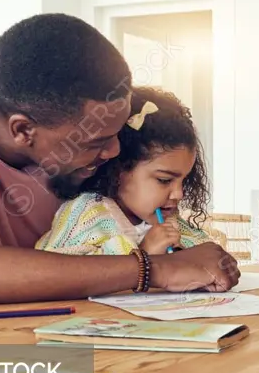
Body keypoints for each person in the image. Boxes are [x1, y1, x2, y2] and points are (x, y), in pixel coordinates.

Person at [0, 13, 239, 320]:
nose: (112, 152)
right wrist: (154, 270)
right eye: (95, 141)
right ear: (23, 130)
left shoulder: (69, 148)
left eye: (115, 137)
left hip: (48, 340)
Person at [36, 86, 217, 260]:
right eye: (164, 180)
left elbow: (206, 254)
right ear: (119, 170)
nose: (179, 194)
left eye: (184, 180)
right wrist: (144, 253)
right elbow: (62, 274)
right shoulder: (86, 212)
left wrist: (183, 252)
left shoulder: (171, 222)